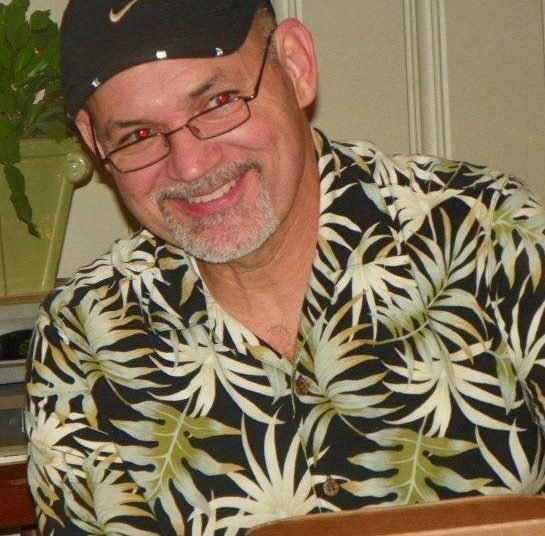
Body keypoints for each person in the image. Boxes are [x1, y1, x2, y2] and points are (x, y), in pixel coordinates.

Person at [26, 0, 545, 534]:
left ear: (296, 65)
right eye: (137, 135)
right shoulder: (85, 337)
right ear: (93, 142)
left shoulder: (491, 236)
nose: (191, 165)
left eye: (219, 102)